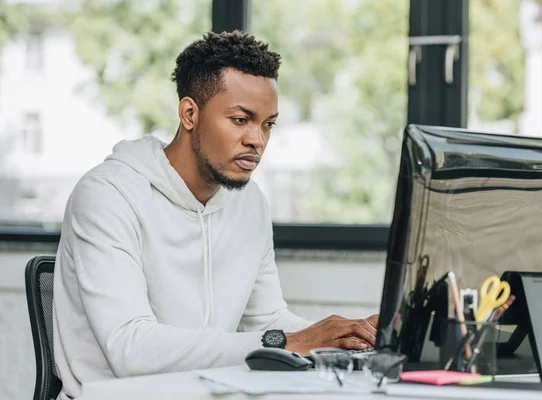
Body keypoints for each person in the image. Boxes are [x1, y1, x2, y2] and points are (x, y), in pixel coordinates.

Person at [53, 31, 378, 400]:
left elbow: (268, 322)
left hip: (210, 393)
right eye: (241, 120)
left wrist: (348, 336)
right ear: (190, 113)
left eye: (268, 123)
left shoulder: (249, 201)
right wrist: (290, 341)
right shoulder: (108, 195)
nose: (257, 139)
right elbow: (131, 348)